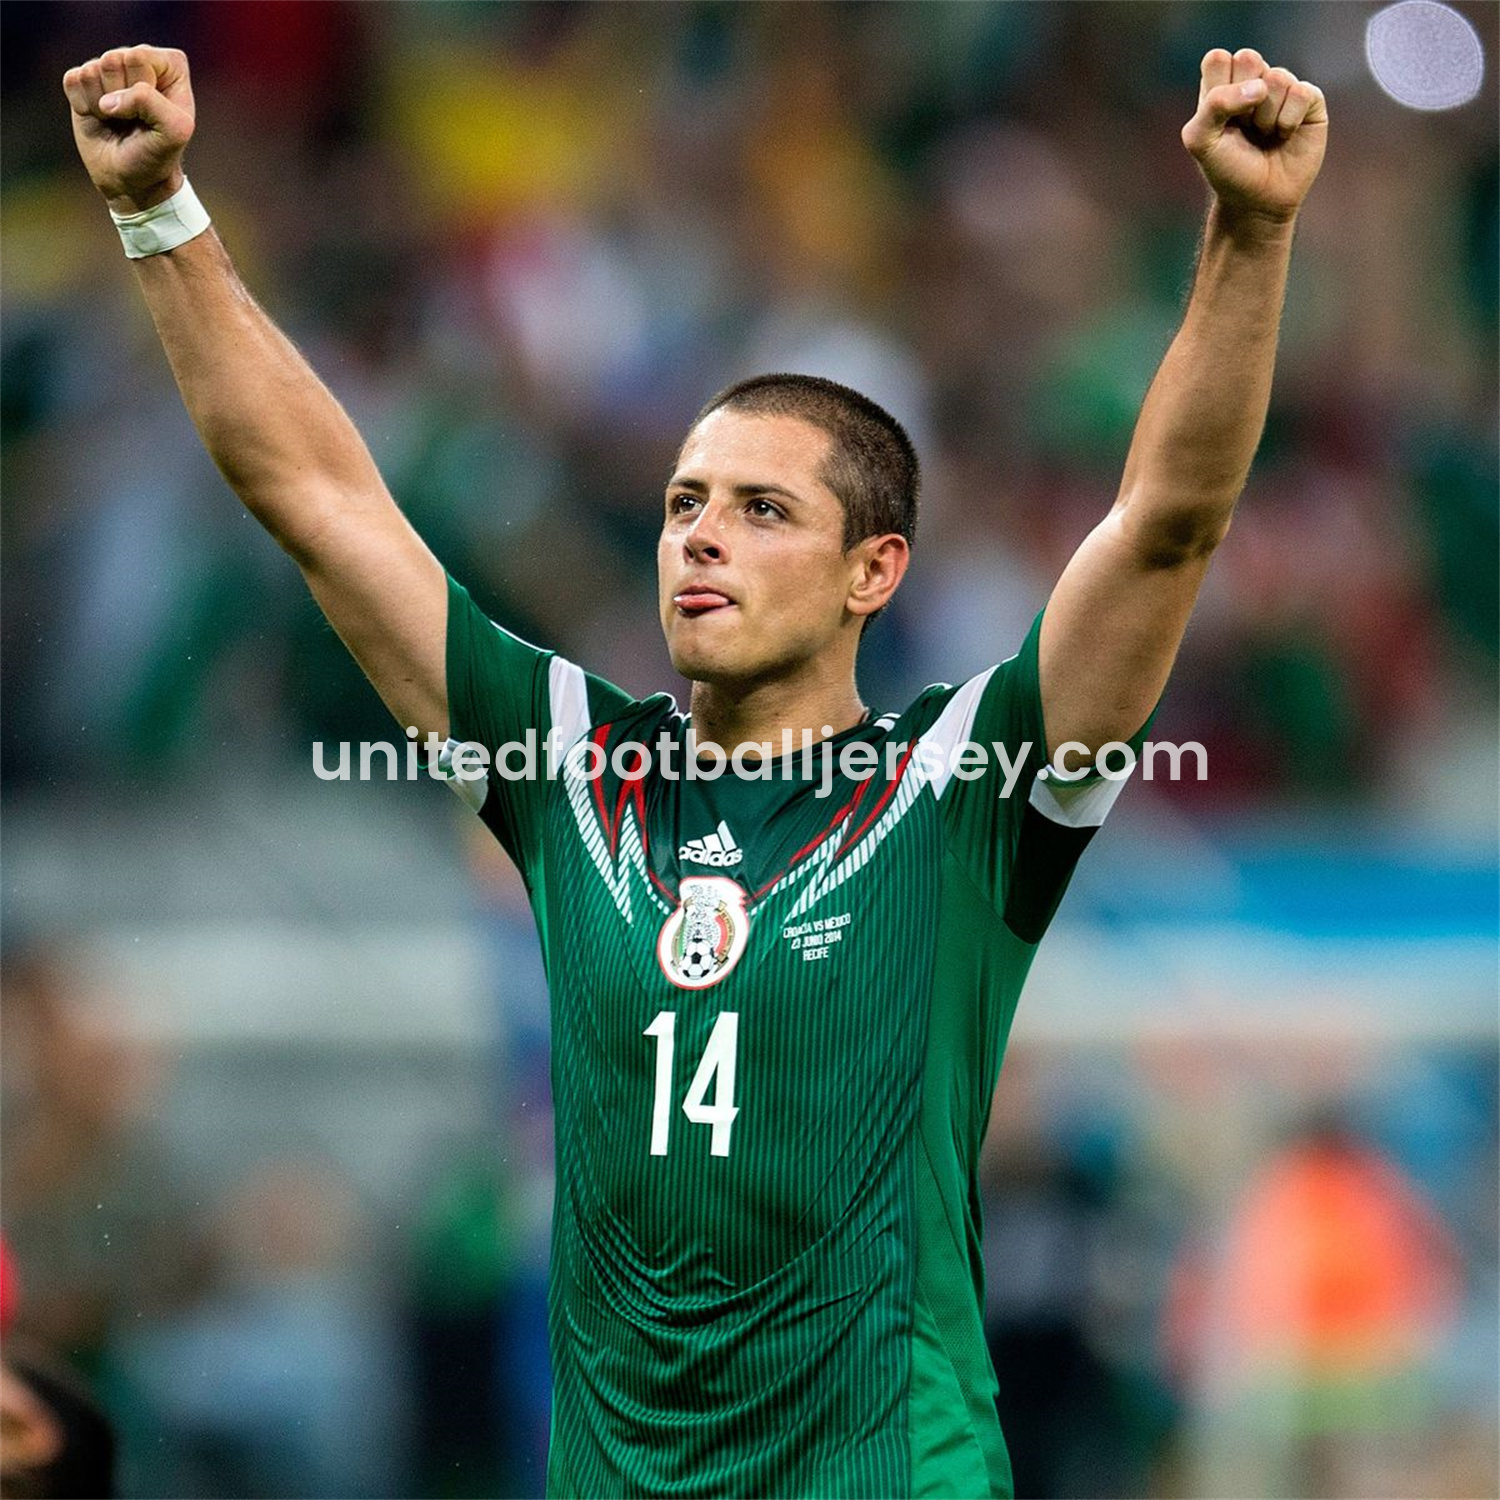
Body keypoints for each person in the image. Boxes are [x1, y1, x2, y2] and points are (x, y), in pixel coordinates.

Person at [62, 41, 1326, 1498]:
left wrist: (1251, 230)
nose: (699, 536)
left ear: (876, 570)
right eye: (682, 504)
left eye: (761, 508)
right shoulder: (569, 768)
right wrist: (159, 207)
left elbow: (1166, 522)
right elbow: (318, 496)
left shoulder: (960, 788)